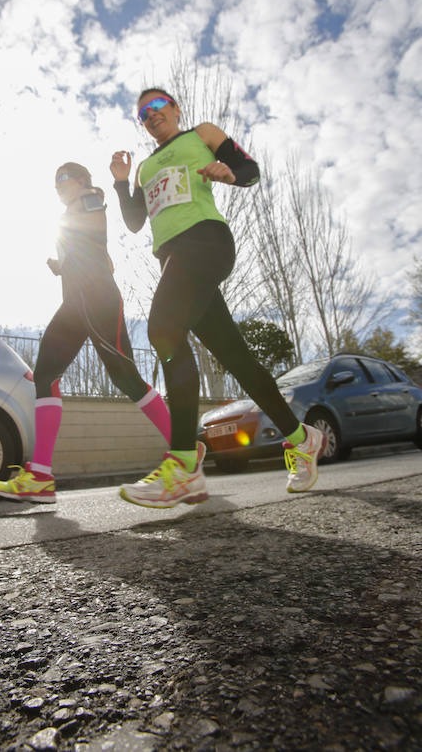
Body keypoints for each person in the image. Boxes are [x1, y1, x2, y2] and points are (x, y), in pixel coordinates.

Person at [110, 88, 327, 507]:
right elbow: (136, 222)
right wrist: (121, 183)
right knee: (238, 360)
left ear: (175, 109)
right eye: (143, 114)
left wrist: (230, 174)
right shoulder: (145, 167)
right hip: (175, 261)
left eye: (158, 107)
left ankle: (185, 465)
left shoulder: (202, 133)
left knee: (164, 330)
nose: (151, 116)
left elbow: (251, 170)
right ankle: (304, 438)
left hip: (207, 243)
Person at [0, 161, 171, 503]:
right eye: (54, 181)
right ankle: (40, 475)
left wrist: (74, 254)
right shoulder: (74, 209)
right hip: (76, 303)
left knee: (127, 379)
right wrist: (63, 265)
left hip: (97, 299)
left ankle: (185, 451)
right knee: (45, 374)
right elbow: (95, 252)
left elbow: (94, 237)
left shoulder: (89, 198)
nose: (57, 185)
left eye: (62, 178)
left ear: (81, 180)